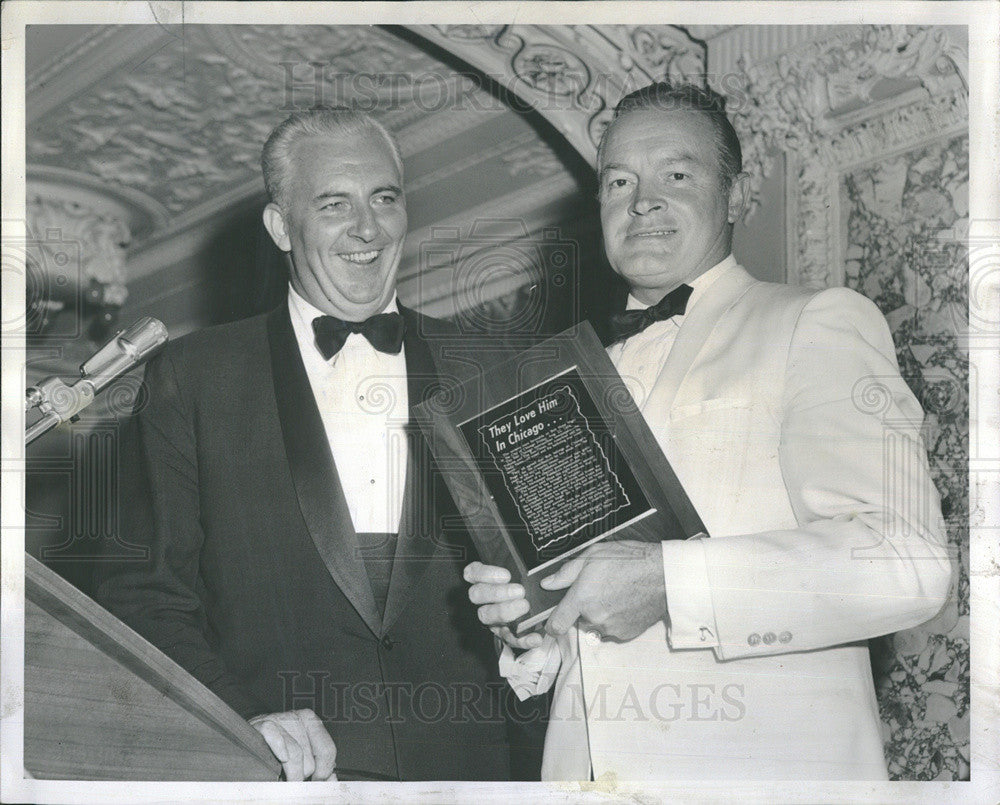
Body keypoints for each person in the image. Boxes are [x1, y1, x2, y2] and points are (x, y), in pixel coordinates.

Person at [465, 82, 953, 781]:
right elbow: (587, 641)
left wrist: (669, 582)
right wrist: (534, 620)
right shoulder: (562, 387)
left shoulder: (817, 320)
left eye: (677, 173)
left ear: (737, 195)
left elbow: (906, 561)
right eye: (620, 181)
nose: (643, 201)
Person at [95, 107, 533, 782]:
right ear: (280, 226)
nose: (367, 227)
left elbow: (553, 584)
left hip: (482, 772)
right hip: (281, 776)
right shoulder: (193, 377)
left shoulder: (489, 361)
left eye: (384, 198)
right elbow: (145, 599)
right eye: (335, 204)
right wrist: (244, 716)